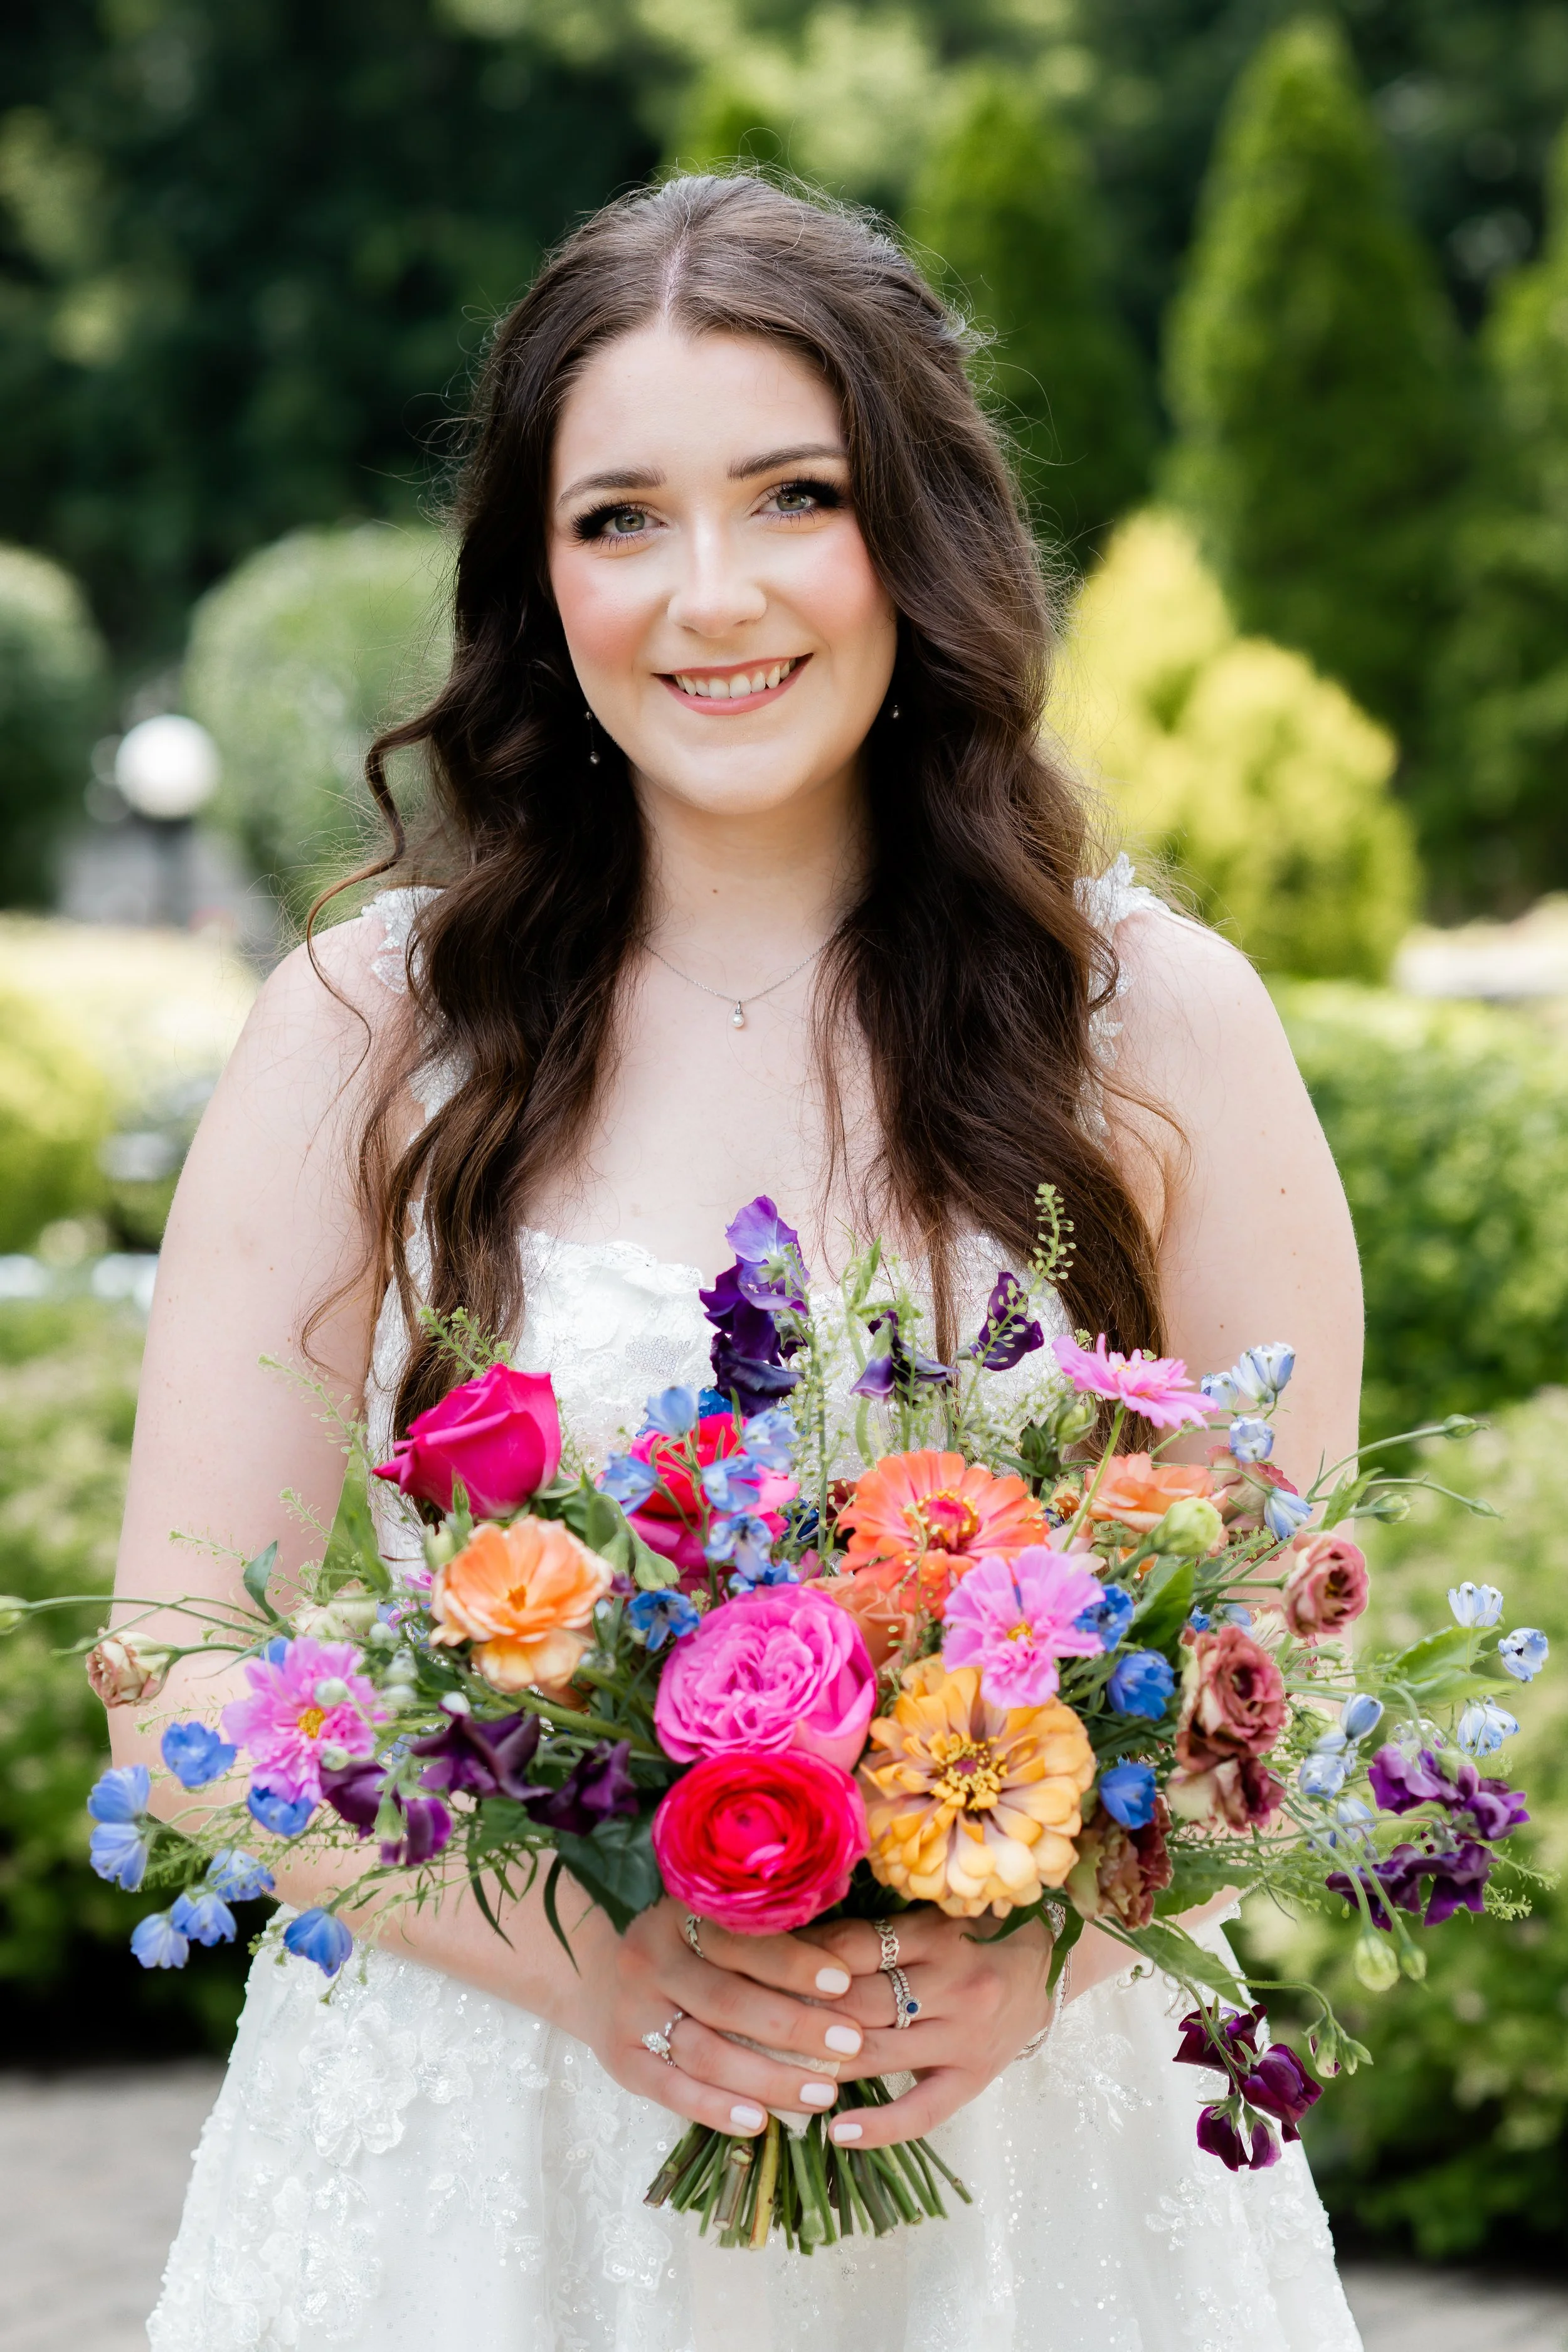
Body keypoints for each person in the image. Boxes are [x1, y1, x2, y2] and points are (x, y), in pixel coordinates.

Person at [122, 174, 1365, 2350]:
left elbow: (1288, 1629)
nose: (709, 595)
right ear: (534, 577)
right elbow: (174, 1672)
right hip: (485, 2159)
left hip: (1023, 2172)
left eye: (793, 495)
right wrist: (584, 1955)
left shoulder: (1154, 1024)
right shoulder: (364, 1032)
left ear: (919, 534)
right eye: (618, 518)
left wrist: (1043, 1946)